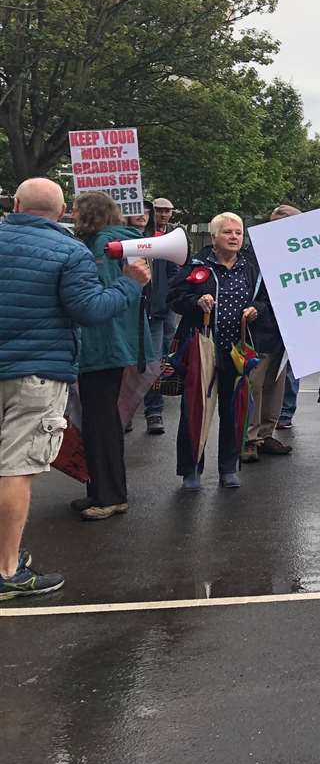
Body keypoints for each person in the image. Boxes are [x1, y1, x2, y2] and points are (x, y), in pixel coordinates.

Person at [0, 179, 151, 599]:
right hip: (39, 373)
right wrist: (129, 284)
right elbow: (89, 309)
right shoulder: (69, 251)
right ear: (62, 209)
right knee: (15, 469)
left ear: (15, 203)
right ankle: (6, 569)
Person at [70, 194, 156, 520]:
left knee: (101, 420)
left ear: (90, 213)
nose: (72, 213)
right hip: (111, 343)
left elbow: (99, 296)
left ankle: (110, 495)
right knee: (98, 418)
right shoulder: (110, 242)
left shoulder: (106, 246)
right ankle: (101, 489)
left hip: (103, 344)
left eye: (76, 209)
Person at [168, 212, 263, 489]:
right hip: (202, 348)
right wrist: (197, 301)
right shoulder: (197, 265)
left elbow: (266, 301)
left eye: (238, 232)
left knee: (234, 411)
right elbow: (174, 298)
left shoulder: (250, 268)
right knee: (195, 409)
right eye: (228, 232)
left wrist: (258, 310)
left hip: (237, 352)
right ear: (214, 237)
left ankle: (229, 467)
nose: (234, 237)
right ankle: (191, 470)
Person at [241, 204, 300, 463]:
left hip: (285, 329)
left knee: (275, 384)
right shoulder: (254, 254)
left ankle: (265, 433)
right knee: (254, 384)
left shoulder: (299, 252)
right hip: (260, 328)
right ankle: (248, 438)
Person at [139, 197, 185, 436]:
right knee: (148, 360)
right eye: (159, 211)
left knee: (161, 358)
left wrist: (167, 293)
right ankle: (146, 410)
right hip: (144, 309)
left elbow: (174, 272)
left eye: (168, 211)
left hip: (161, 308)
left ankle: (154, 407)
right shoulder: (140, 238)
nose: (163, 215)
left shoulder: (168, 239)